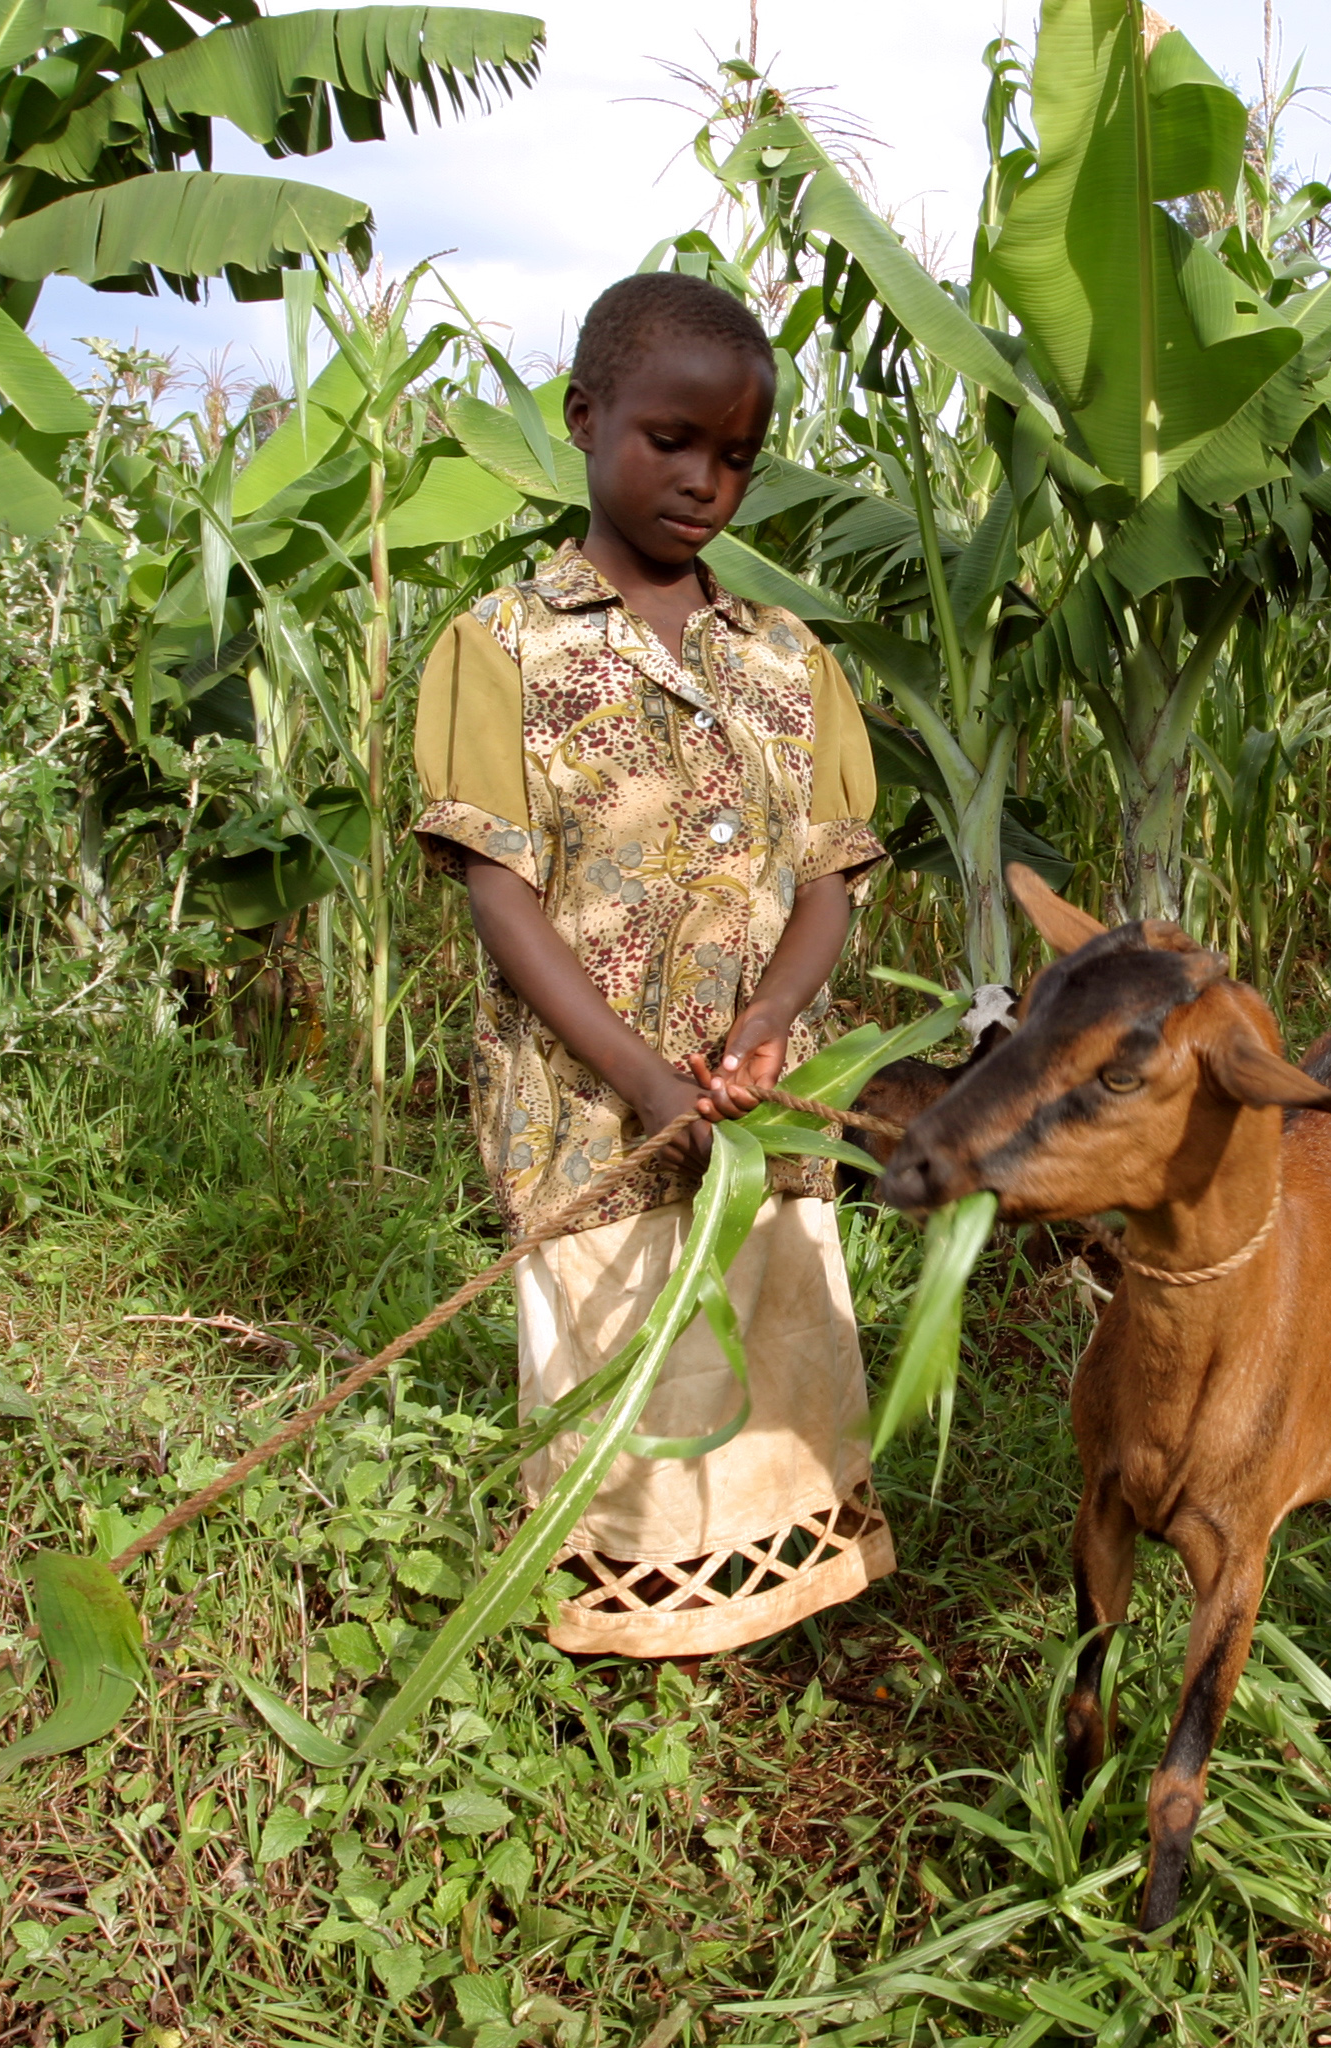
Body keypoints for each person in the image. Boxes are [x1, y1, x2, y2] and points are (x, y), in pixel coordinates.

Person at [410, 271, 892, 1657]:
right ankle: (628, 1632)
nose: (703, 482)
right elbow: (500, 890)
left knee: (769, 1330)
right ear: (584, 418)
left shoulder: (790, 661)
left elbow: (824, 883)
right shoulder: (501, 648)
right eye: (669, 441)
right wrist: (638, 1074)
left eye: (735, 457)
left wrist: (765, 1031)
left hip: (760, 1101)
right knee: (614, 1356)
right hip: (587, 1107)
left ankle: (773, 1606)